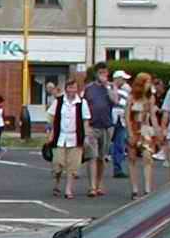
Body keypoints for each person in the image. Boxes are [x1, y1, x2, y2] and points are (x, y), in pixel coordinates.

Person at [50, 76, 91, 200]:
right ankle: (57, 183)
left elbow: (86, 120)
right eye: (70, 87)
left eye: (74, 87)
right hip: (60, 136)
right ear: (66, 88)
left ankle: (68, 189)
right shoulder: (59, 101)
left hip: (75, 137)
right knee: (58, 163)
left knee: (72, 165)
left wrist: (86, 136)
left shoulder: (82, 103)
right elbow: (52, 118)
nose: (72, 90)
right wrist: (51, 134)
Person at [83, 63, 116, 196]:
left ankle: (99, 183)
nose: (103, 75)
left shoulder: (111, 87)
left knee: (101, 157)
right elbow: (84, 105)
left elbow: (115, 100)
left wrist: (107, 86)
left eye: (105, 72)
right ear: (96, 74)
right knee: (92, 156)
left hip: (106, 126)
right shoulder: (89, 88)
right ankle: (92, 186)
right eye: (100, 72)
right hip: (92, 126)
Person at [126, 72, 158, 199]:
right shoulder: (131, 97)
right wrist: (129, 133)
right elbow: (127, 116)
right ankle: (134, 188)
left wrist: (157, 130)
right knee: (132, 159)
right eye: (147, 82)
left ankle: (147, 188)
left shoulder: (150, 98)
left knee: (147, 158)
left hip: (146, 129)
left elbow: (153, 116)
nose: (149, 84)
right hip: (133, 128)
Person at [110, 70, 130, 177]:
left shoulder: (125, 91)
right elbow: (116, 101)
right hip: (111, 120)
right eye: (123, 79)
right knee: (106, 145)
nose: (125, 81)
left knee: (120, 145)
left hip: (121, 120)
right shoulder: (109, 89)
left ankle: (118, 169)